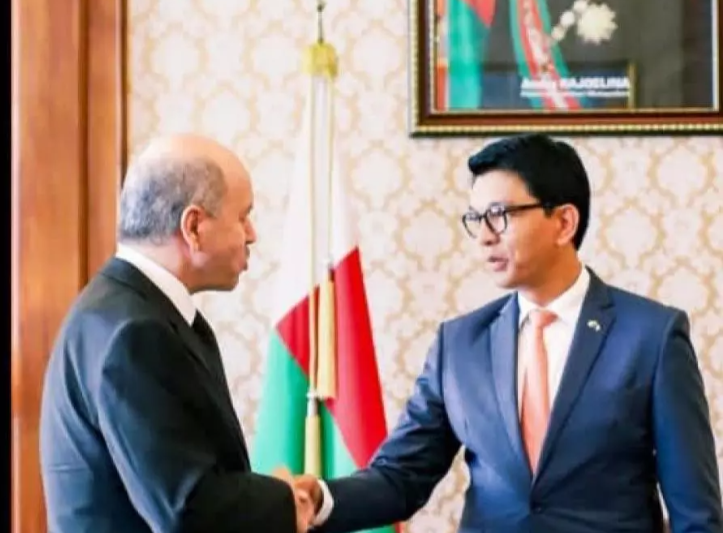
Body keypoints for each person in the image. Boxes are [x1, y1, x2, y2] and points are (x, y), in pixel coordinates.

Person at [295, 133, 723, 533]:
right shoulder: (458, 345)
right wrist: (319, 499)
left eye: (499, 216)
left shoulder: (652, 337)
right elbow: (401, 476)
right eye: (475, 218)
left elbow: (696, 513)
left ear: (564, 223)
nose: (483, 237)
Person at [39, 134, 315, 533]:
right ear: (194, 226)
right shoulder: (135, 333)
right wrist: (284, 502)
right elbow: (184, 508)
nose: (252, 234)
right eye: (242, 217)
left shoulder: (128, 310)